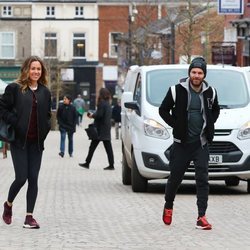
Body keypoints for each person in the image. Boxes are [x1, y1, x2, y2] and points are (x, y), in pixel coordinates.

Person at [159, 57, 220, 230]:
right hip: (181, 144)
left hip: (201, 144)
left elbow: (216, 109)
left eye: (200, 73)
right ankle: (169, 205)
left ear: (204, 75)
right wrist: (175, 125)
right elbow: (162, 110)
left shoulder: (211, 92)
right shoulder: (175, 90)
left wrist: (210, 124)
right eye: (193, 72)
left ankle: (201, 216)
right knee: (175, 179)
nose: (196, 75)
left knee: (202, 180)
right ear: (189, 73)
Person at [0, 56, 51, 229]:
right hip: (19, 142)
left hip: (36, 144)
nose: (36, 71)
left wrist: (44, 131)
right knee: (21, 178)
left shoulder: (45, 92)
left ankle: (29, 217)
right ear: (26, 70)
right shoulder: (15, 88)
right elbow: (2, 108)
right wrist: (14, 121)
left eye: (39, 69)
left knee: (34, 179)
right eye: (33, 68)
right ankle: (8, 205)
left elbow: (47, 116)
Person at [79, 87, 115, 170]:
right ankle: (111, 164)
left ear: (101, 94)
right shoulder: (108, 103)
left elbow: (99, 115)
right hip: (106, 128)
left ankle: (87, 163)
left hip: (99, 129)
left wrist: (92, 116)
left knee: (93, 147)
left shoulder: (102, 103)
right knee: (108, 148)